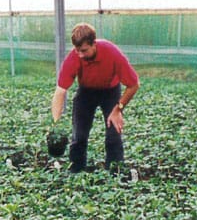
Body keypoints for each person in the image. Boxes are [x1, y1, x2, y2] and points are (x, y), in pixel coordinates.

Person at [51, 23, 139, 174]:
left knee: (113, 134)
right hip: (86, 92)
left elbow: (134, 85)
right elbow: (60, 91)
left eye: (84, 50)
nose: (80, 55)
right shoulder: (74, 57)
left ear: (94, 44)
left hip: (110, 92)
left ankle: (115, 172)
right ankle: (76, 171)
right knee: (79, 135)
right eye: (77, 50)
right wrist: (55, 123)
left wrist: (118, 109)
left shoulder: (112, 53)